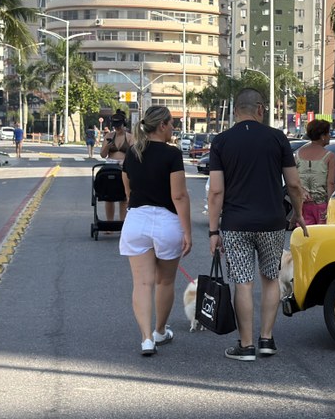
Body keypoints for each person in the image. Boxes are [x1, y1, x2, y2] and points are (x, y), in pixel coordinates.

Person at [208, 88, 307, 362]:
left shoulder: (221, 141)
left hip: (235, 224)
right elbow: (295, 184)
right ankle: (266, 339)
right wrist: (298, 213)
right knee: (270, 279)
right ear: (261, 110)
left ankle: (246, 345)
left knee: (242, 283)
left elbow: (216, 191)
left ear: (236, 110)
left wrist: (213, 231)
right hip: (272, 223)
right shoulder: (277, 138)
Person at [119, 105, 191, 356]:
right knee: (165, 281)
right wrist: (187, 232)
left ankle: (146, 338)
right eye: (171, 123)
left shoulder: (132, 153)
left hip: (136, 219)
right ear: (162, 125)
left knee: (141, 283)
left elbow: (127, 190)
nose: (173, 128)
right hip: (166, 221)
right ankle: (160, 331)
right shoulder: (172, 154)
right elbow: (179, 196)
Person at [295, 119, 335, 225]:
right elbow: (331, 183)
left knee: (305, 237)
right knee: (320, 237)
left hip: (302, 204)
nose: (329, 136)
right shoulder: (330, 156)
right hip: (321, 205)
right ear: (323, 136)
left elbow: (295, 181)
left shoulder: (298, 154)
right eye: (328, 133)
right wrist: (330, 206)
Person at [100, 110, 134, 224]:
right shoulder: (109, 136)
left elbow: (134, 155)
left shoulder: (129, 137)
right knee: (109, 198)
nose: (117, 129)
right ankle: (109, 222)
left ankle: (122, 223)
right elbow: (103, 154)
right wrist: (108, 146)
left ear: (124, 124)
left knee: (123, 198)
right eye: (115, 126)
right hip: (111, 166)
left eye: (119, 126)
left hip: (124, 168)